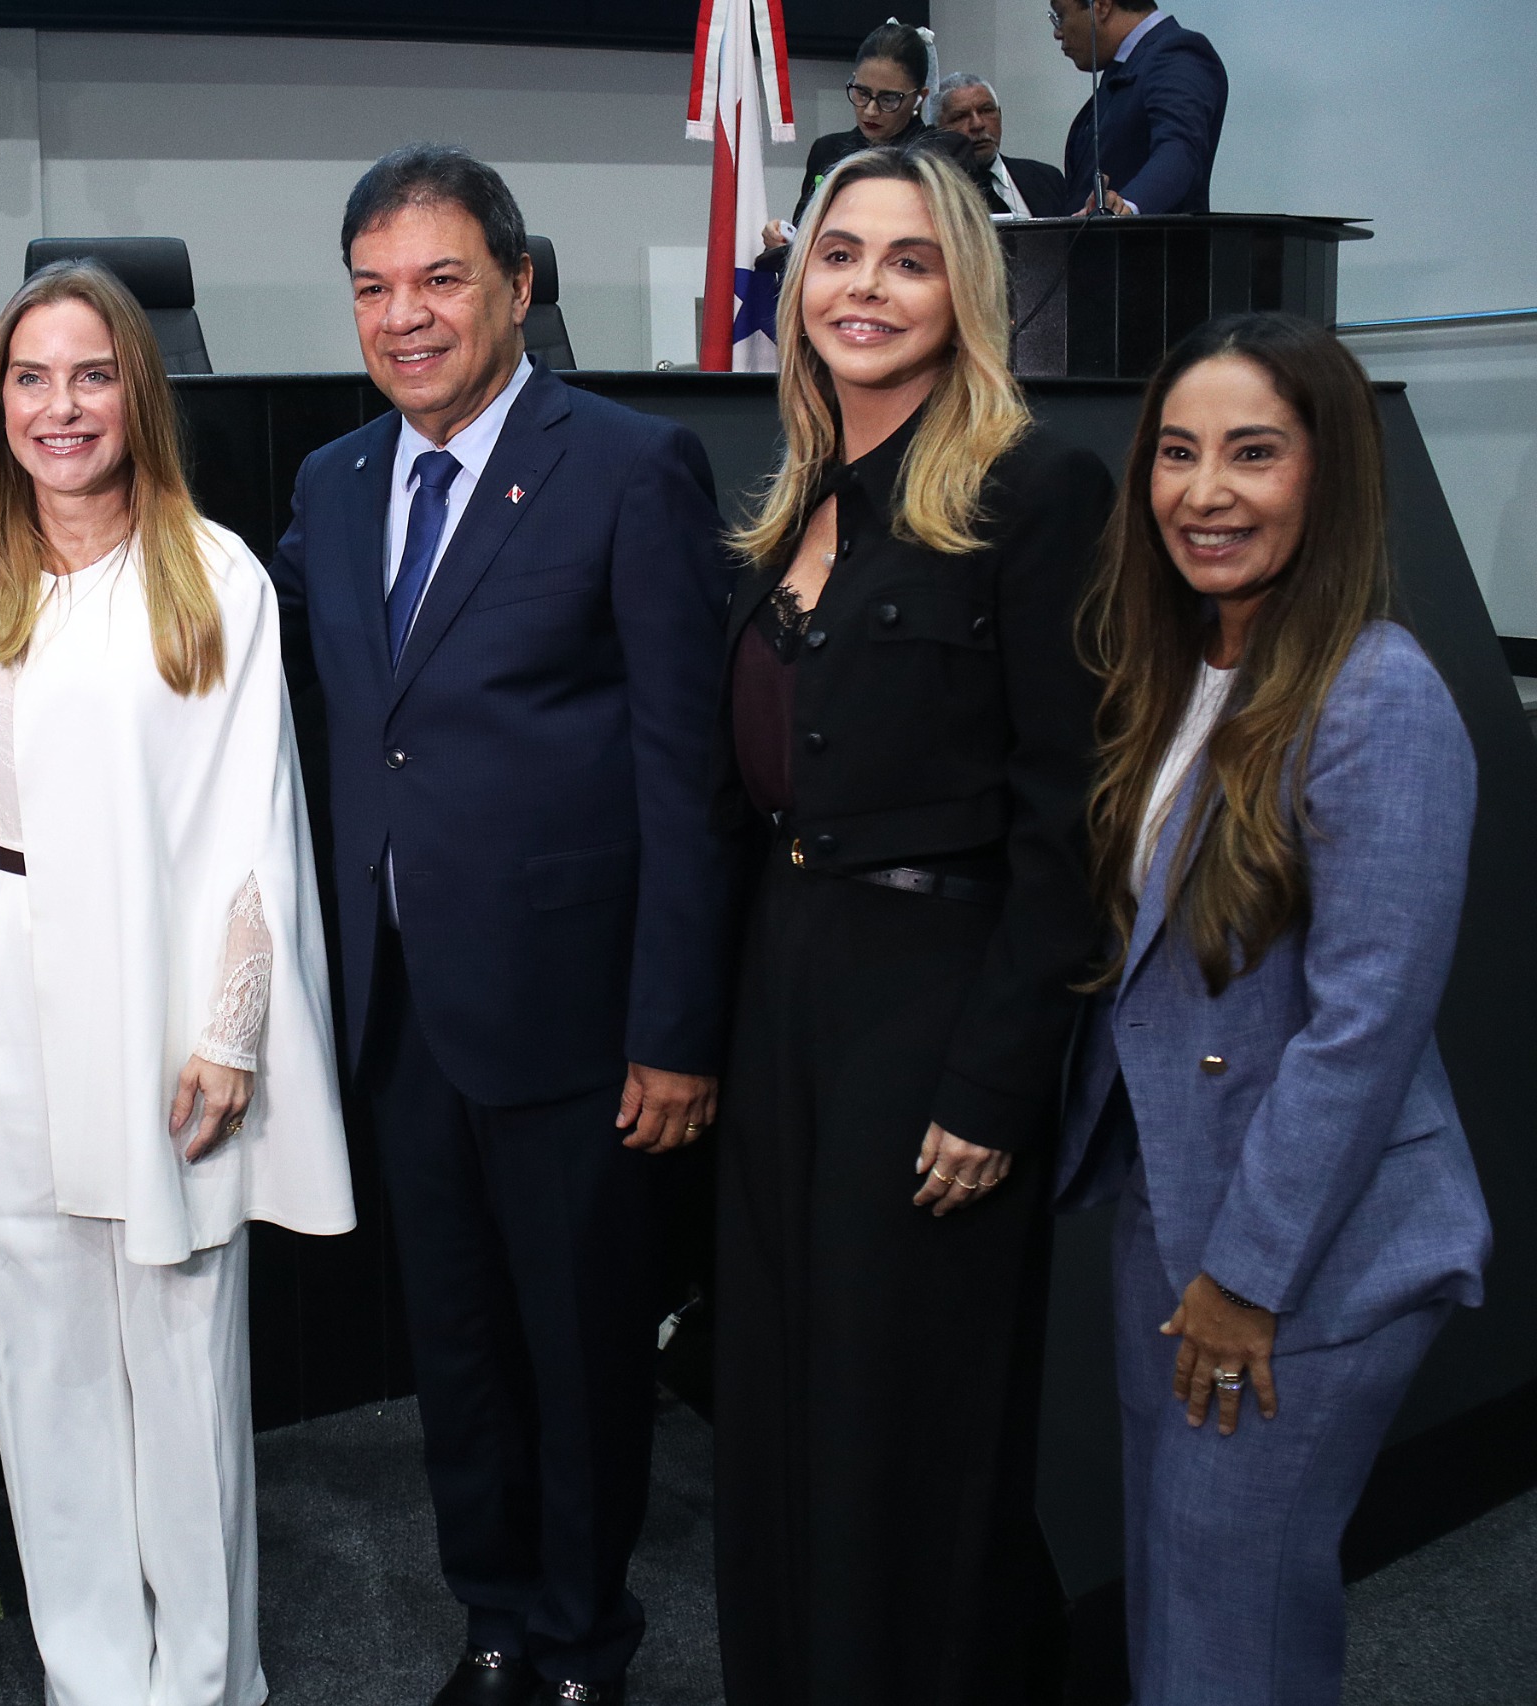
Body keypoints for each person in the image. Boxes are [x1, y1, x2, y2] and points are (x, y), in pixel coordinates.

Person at [270, 143, 734, 1706]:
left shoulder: (627, 463)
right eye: (374, 288)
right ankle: (492, 1616)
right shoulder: (332, 487)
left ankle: (584, 1639)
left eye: (442, 279)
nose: (406, 318)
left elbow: (688, 771)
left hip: (578, 1021)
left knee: (583, 1350)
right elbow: (255, 658)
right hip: (403, 1013)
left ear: (521, 286)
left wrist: (676, 1027)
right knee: (456, 1348)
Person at [711, 145, 1114, 1706]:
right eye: (838, 255)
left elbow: (1070, 814)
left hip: (934, 1021)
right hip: (784, 998)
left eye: (907, 260)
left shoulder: (1036, 489)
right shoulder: (791, 504)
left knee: (911, 1435)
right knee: (783, 1410)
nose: (863, 289)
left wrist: (993, 1082)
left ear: (966, 291)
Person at [0, 260, 354, 1706]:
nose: (62, 405)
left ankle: (206, 1681)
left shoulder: (215, 572)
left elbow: (255, 817)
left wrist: (229, 1031)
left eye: (92, 373)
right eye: (31, 378)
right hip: (9, 992)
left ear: (138, 392)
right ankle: (95, 1675)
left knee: (180, 1373)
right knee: (40, 1372)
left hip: (164, 997)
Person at [1060, 311, 1491, 1705]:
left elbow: (1364, 1027)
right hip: (1175, 1218)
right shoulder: (1181, 668)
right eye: (1178, 454)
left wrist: (1246, 1279)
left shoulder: (1381, 696)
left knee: (1230, 1625)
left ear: (1328, 474)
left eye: (1254, 453)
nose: (1205, 491)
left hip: (1302, 1255)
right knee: (1186, 1598)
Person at [767, 20, 936, 247]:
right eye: (862, 93)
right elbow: (804, 236)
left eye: (888, 99)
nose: (870, 110)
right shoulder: (826, 151)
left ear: (919, 97)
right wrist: (782, 242)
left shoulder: (942, 154)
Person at [1050, 2, 1228, 215]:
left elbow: (1179, 149)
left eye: (1061, 16)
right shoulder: (1127, 67)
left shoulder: (1176, 52)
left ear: (1102, 5)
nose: (1057, 33)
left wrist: (1125, 208)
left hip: (1150, 245)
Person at [932, 72, 1070, 218]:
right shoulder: (927, 191)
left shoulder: (1046, 179)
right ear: (937, 131)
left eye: (986, 110)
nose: (977, 124)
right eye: (960, 117)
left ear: (1000, 115)